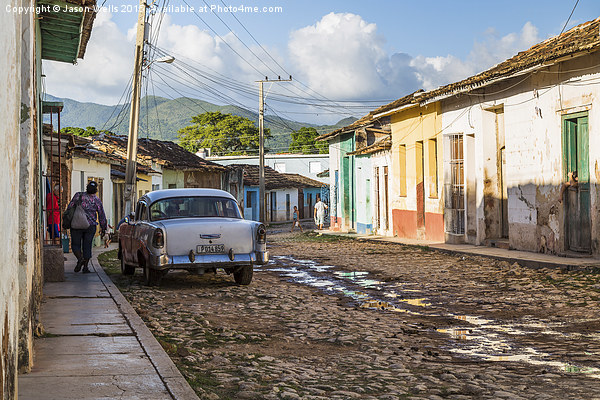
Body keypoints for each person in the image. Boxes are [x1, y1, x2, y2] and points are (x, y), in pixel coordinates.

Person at [67, 181, 107, 273]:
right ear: (96, 190)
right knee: (87, 246)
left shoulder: (78, 196)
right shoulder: (97, 200)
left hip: (77, 224)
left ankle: (80, 259)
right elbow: (101, 215)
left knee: (75, 244)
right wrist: (103, 227)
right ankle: (85, 267)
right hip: (90, 226)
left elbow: (70, 207)